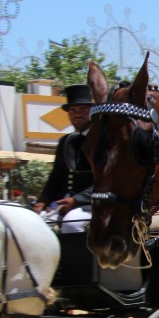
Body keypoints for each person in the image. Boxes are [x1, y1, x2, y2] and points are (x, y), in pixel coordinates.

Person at [35, 84, 95, 232]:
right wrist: (43, 200)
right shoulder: (65, 141)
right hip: (62, 200)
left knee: (71, 224)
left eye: (83, 109)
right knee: (37, 223)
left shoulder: (102, 140)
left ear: (92, 111)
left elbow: (106, 181)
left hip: (91, 203)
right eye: (72, 110)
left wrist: (77, 200)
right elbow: (56, 176)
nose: (77, 114)